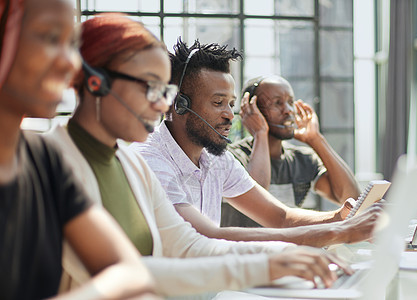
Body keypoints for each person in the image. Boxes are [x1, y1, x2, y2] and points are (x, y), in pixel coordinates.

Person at [44, 13, 352, 298]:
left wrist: (290, 251)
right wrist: (277, 259)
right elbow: (124, 273)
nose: (160, 105)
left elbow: (191, 246)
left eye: (163, 92)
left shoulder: (130, 164)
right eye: (151, 88)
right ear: (98, 82)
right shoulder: (57, 162)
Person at [133, 39, 381, 248]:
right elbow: (206, 237)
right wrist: (337, 232)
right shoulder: (151, 161)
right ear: (179, 105)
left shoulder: (216, 159)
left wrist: (338, 217)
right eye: (218, 103)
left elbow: (280, 217)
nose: (230, 114)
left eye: (231, 104)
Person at [0, 1, 157, 299]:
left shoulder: (43, 159)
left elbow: (132, 271)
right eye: (49, 38)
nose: (72, 64)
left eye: (71, 44)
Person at [222, 75, 361, 227]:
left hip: (289, 249)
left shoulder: (302, 159)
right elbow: (256, 195)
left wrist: (316, 139)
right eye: (277, 103)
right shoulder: (233, 158)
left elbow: (352, 197)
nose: (288, 110)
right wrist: (260, 133)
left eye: (290, 102)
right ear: (250, 108)